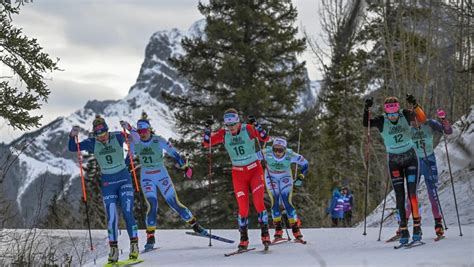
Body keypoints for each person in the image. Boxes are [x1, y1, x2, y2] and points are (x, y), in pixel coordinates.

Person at [121, 113, 208, 251]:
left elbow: (174, 153)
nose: (142, 134)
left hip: (161, 175)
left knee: (175, 203)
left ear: (149, 130)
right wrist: (124, 170)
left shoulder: (158, 140)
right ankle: (150, 238)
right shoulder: (135, 143)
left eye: (144, 131)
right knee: (152, 205)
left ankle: (196, 226)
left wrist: (185, 167)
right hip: (147, 177)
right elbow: (128, 160)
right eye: (140, 131)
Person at [68, 115, 139, 263]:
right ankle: (113, 251)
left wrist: (129, 127)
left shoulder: (118, 136)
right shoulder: (92, 142)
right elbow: (72, 147)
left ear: (107, 130)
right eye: (98, 134)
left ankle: (134, 245)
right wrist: (72, 135)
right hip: (108, 183)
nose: (102, 137)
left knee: (127, 212)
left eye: (103, 133)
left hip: (124, 179)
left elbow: (137, 139)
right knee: (112, 217)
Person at [202, 108, 270, 250]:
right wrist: (207, 128)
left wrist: (256, 125)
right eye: (228, 125)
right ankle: (244, 239)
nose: (231, 128)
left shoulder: (248, 129)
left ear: (238, 122)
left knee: (258, 203)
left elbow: (265, 138)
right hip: (238, 174)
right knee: (243, 208)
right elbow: (206, 143)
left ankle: (265, 235)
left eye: (233, 125)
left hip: (255, 171)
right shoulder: (223, 134)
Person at [363, 94, 426, 245]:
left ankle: (417, 226)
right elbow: (366, 123)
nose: (392, 116)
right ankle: (403, 229)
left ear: (398, 110)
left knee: (412, 193)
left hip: (411, 158)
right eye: (389, 113)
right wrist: (367, 109)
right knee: (399, 195)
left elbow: (422, 119)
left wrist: (415, 105)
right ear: (386, 112)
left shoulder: (404, 114)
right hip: (394, 161)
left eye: (394, 113)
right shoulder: (381, 120)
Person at [407, 108, 453, 238]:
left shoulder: (430, 124)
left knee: (432, 195)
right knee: (411, 196)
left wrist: (443, 120)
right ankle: (403, 226)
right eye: (412, 121)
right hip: (414, 162)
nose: (414, 123)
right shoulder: (409, 129)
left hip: (429, 161)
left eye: (417, 120)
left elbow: (448, 131)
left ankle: (438, 226)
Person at [256, 137, 309, 242]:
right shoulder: (266, 152)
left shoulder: (291, 155)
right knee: (275, 202)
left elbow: (305, 164)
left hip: (285, 176)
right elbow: (251, 159)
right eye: (275, 149)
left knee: (286, 202)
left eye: (280, 150)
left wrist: (301, 176)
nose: (277, 153)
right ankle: (278, 231)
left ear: (285, 149)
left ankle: (296, 231)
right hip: (271, 176)